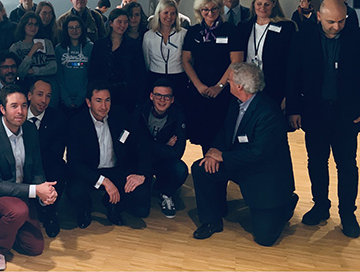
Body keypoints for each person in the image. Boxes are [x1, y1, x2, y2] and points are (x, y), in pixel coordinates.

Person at [192, 63, 298, 246]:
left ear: (240, 86)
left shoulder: (269, 113)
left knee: (265, 239)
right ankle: (211, 221)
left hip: (262, 174)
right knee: (201, 169)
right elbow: (225, 131)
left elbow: (258, 154)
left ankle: (286, 204)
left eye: (230, 80)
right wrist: (212, 153)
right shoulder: (237, 102)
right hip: (239, 162)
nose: (228, 82)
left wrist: (222, 157)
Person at [286, 0, 360, 238]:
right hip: (315, 112)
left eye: (341, 21)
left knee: (347, 165)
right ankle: (320, 205)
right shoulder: (303, 37)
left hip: (347, 114)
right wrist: (293, 109)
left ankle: (348, 213)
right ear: (319, 16)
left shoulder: (356, 37)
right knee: (317, 162)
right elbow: (293, 74)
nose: (337, 27)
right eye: (331, 22)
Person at [0, 85, 57, 271]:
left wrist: (44, 192)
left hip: (23, 194)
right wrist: (35, 190)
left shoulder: (30, 129)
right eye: (14, 106)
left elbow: (37, 169)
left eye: (24, 106)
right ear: (2, 109)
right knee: (18, 211)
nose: (20, 111)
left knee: (35, 247)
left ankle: (6, 229)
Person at [67, 80, 150, 228]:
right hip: (90, 171)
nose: (104, 106)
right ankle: (85, 208)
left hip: (116, 169)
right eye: (98, 101)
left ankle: (113, 204)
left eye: (107, 100)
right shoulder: (77, 123)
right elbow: (74, 162)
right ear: (88, 102)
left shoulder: (121, 116)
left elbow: (141, 146)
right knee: (75, 191)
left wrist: (141, 174)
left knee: (141, 195)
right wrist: (104, 181)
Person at [182, 0, 243, 153]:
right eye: (205, 9)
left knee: (223, 135)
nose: (210, 13)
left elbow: (236, 61)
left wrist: (219, 86)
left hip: (224, 91)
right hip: (199, 92)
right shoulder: (193, 32)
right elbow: (186, 60)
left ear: (220, 8)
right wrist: (199, 86)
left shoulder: (231, 30)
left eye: (214, 8)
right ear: (199, 10)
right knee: (204, 137)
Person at [130, 78, 188, 219]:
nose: (162, 100)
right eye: (158, 95)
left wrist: (147, 144)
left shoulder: (178, 115)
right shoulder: (140, 111)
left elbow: (177, 152)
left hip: (163, 162)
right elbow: (134, 144)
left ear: (172, 99)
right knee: (141, 212)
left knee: (180, 169)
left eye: (167, 96)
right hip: (143, 163)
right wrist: (162, 146)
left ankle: (166, 193)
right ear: (151, 96)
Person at [237, 0, 296, 105]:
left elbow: (292, 62)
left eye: (267, 4)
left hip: (275, 86)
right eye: (259, 4)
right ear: (253, 4)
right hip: (247, 85)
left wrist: (288, 94)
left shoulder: (286, 27)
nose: (262, 8)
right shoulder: (243, 27)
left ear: (274, 4)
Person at [26, 80, 67, 238]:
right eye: (40, 94)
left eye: (48, 96)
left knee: (59, 170)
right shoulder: (19, 115)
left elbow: (56, 153)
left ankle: (50, 213)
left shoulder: (58, 118)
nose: (44, 100)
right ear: (29, 95)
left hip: (46, 164)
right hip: (21, 164)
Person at [89, 8, 147, 113]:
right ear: (111, 23)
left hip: (127, 94)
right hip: (103, 93)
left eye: (125, 22)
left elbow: (140, 72)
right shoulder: (99, 44)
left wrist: (140, 96)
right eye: (119, 22)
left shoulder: (133, 45)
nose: (123, 25)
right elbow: (93, 71)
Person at [143, 0, 188, 104]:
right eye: (166, 13)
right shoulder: (148, 36)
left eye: (173, 13)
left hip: (178, 78)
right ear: (159, 14)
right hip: (155, 77)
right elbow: (147, 60)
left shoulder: (183, 34)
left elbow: (188, 59)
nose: (169, 17)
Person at [55, 15, 93, 118]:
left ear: (82, 28)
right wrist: (66, 98)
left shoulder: (90, 47)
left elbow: (90, 74)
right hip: (64, 100)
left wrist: (80, 98)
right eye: (71, 28)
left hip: (84, 99)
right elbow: (59, 76)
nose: (74, 30)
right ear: (66, 30)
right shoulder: (59, 49)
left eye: (77, 27)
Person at [10, 12, 58, 91]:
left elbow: (53, 68)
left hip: (48, 85)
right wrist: (31, 52)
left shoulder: (46, 43)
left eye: (36, 25)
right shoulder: (15, 48)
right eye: (30, 24)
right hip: (26, 86)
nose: (33, 27)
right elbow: (20, 72)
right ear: (23, 26)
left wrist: (33, 71)